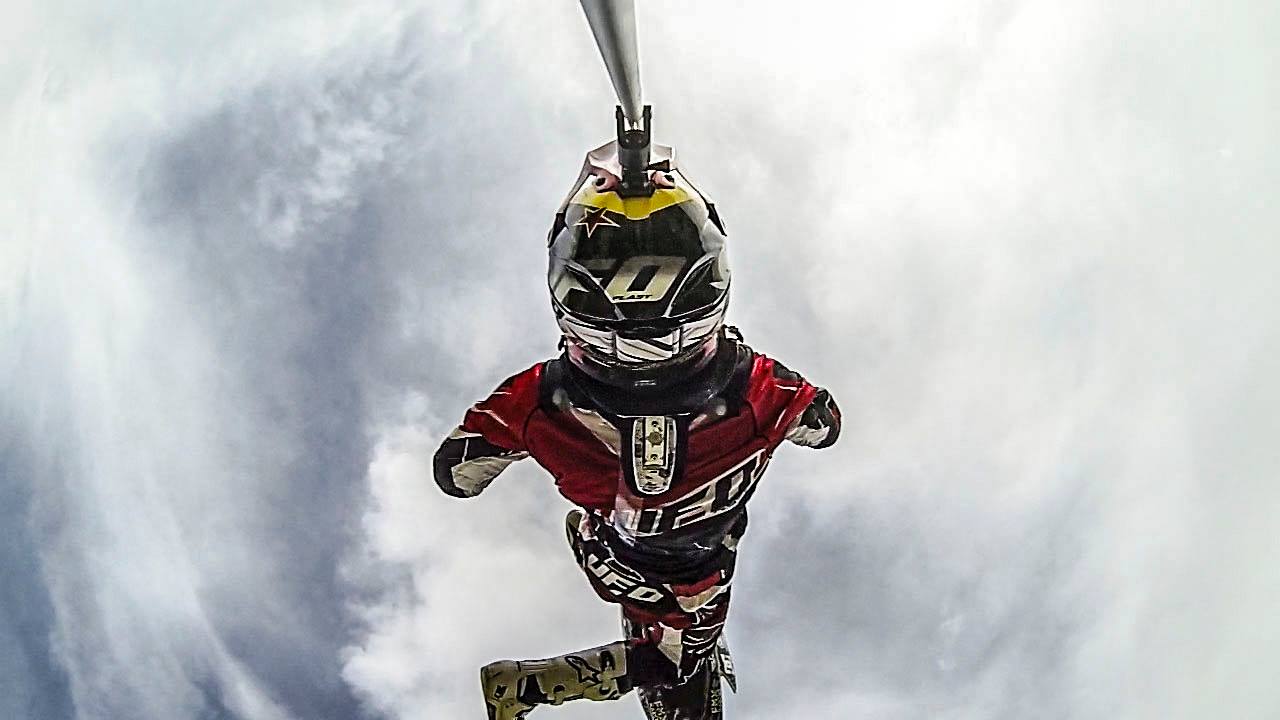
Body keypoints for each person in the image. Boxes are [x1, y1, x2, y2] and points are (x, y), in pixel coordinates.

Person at [433, 141, 841, 720]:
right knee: (678, 659)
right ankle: (533, 684)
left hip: (647, 553)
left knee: (680, 645)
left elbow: (457, 471)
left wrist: (483, 453)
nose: (644, 335)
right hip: (684, 564)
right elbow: (824, 422)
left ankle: (569, 651)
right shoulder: (758, 386)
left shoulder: (536, 399)